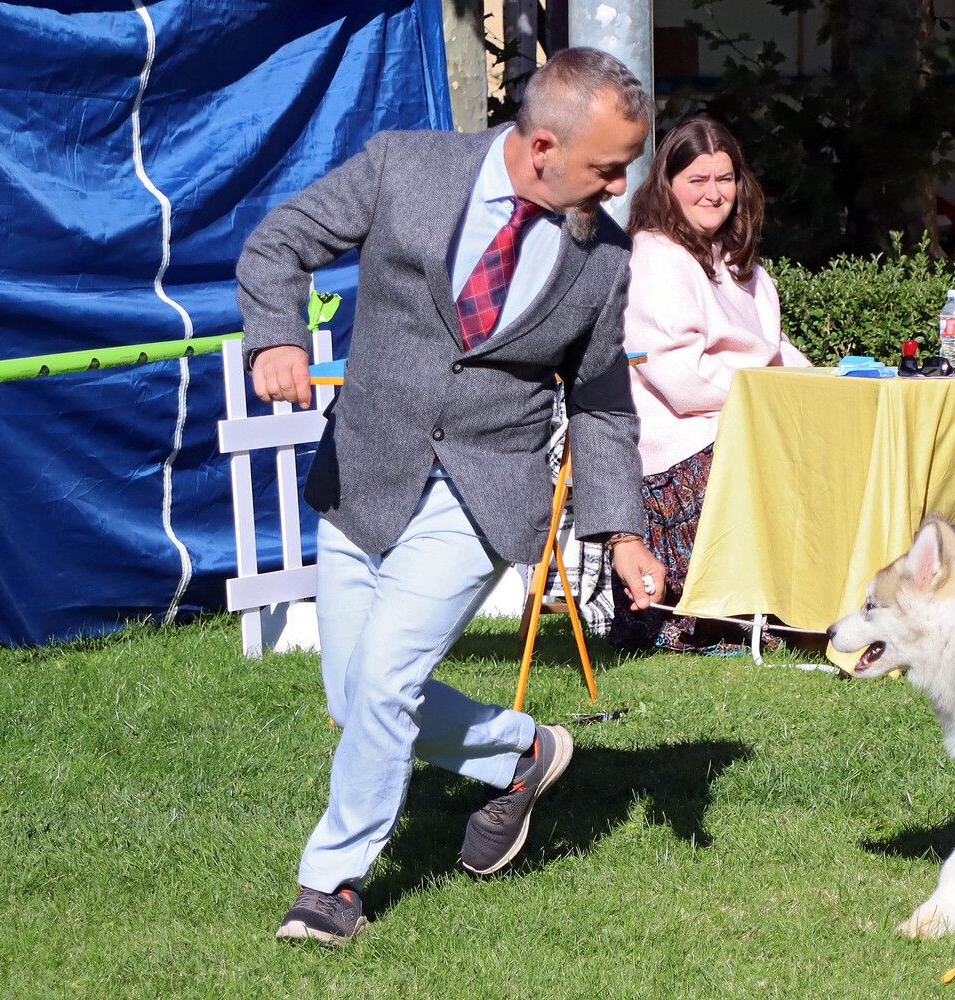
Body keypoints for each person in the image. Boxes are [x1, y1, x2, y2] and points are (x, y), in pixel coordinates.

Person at [236, 47, 667, 945]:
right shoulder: (406, 166)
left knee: (388, 678)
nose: (624, 184)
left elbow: (598, 398)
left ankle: (332, 885)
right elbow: (280, 242)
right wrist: (274, 338)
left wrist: (622, 529)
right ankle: (524, 752)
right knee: (358, 698)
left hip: (483, 487)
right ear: (542, 145)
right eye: (609, 166)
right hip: (366, 472)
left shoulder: (604, 259)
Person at [609, 118, 810, 653]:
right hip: (675, 447)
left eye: (725, 179)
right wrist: (771, 398)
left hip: (737, 421)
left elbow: (775, 350)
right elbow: (679, 378)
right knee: (776, 459)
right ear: (667, 185)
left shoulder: (742, 266)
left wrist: (823, 388)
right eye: (698, 179)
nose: (714, 192)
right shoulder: (654, 257)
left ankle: (816, 607)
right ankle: (709, 619)